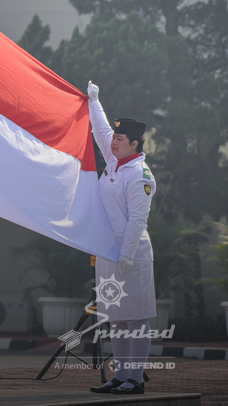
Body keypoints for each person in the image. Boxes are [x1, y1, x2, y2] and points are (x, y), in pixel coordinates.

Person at [87, 82, 157, 396]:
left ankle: (135, 378)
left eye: (119, 138)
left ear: (135, 143)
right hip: (107, 251)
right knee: (116, 318)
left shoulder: (140, 175)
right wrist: (94, 100)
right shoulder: (115, 161)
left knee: (135, 319)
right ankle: (120, 377)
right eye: (114, 138)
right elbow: (100, 130)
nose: (113, 142)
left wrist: (126, 255)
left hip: (132, 254)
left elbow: (137, 221)